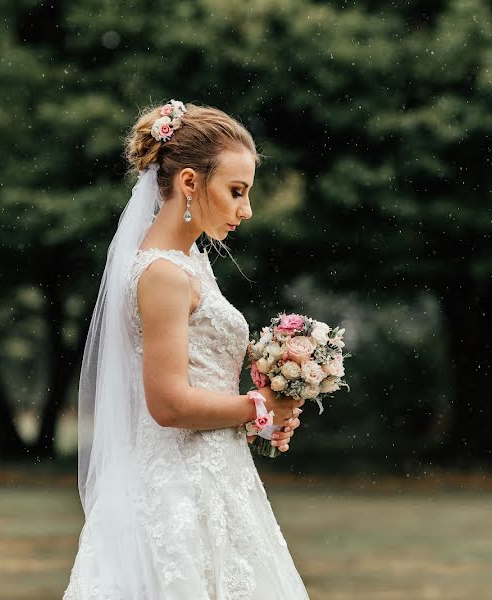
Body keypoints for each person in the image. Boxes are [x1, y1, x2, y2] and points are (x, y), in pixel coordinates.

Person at [63, 99, 311, 599]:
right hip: (176, 488)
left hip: (217, 477)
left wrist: (271, 398)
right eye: (236, 192)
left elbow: (203, 370)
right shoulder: (163, 274)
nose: (246, 210)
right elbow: (169, 403)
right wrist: (258, 406)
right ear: (190, 183)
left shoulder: (190, 260)